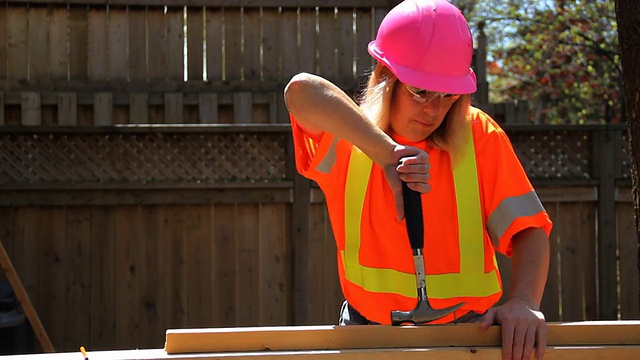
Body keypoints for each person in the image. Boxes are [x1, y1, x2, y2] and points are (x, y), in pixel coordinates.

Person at [283, 0, 552, 359]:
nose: (433, 110)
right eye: (420, 92)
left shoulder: (480, 136)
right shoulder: (348, 134)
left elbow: (529, 230)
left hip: (470, 339)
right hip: (365, 340)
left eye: (447, 95)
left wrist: (523, 301)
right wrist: (385, 154)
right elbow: (299, 91)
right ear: (384, 76)